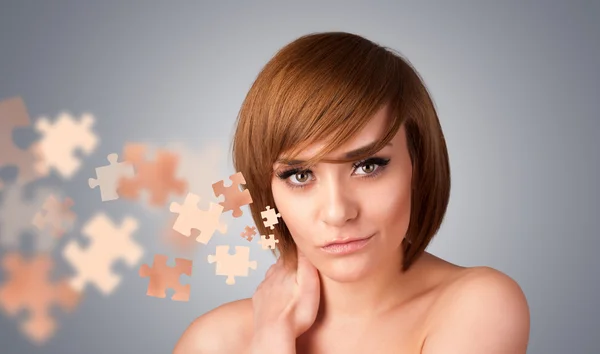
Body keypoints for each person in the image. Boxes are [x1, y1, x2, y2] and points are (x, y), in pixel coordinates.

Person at [174, 31, 530, 354]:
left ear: (417, 166)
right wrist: (271, 335)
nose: (336, 211)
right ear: (267, 192)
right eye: (299, 175)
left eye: (368, 166)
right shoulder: (213, 341)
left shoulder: (479, 305)